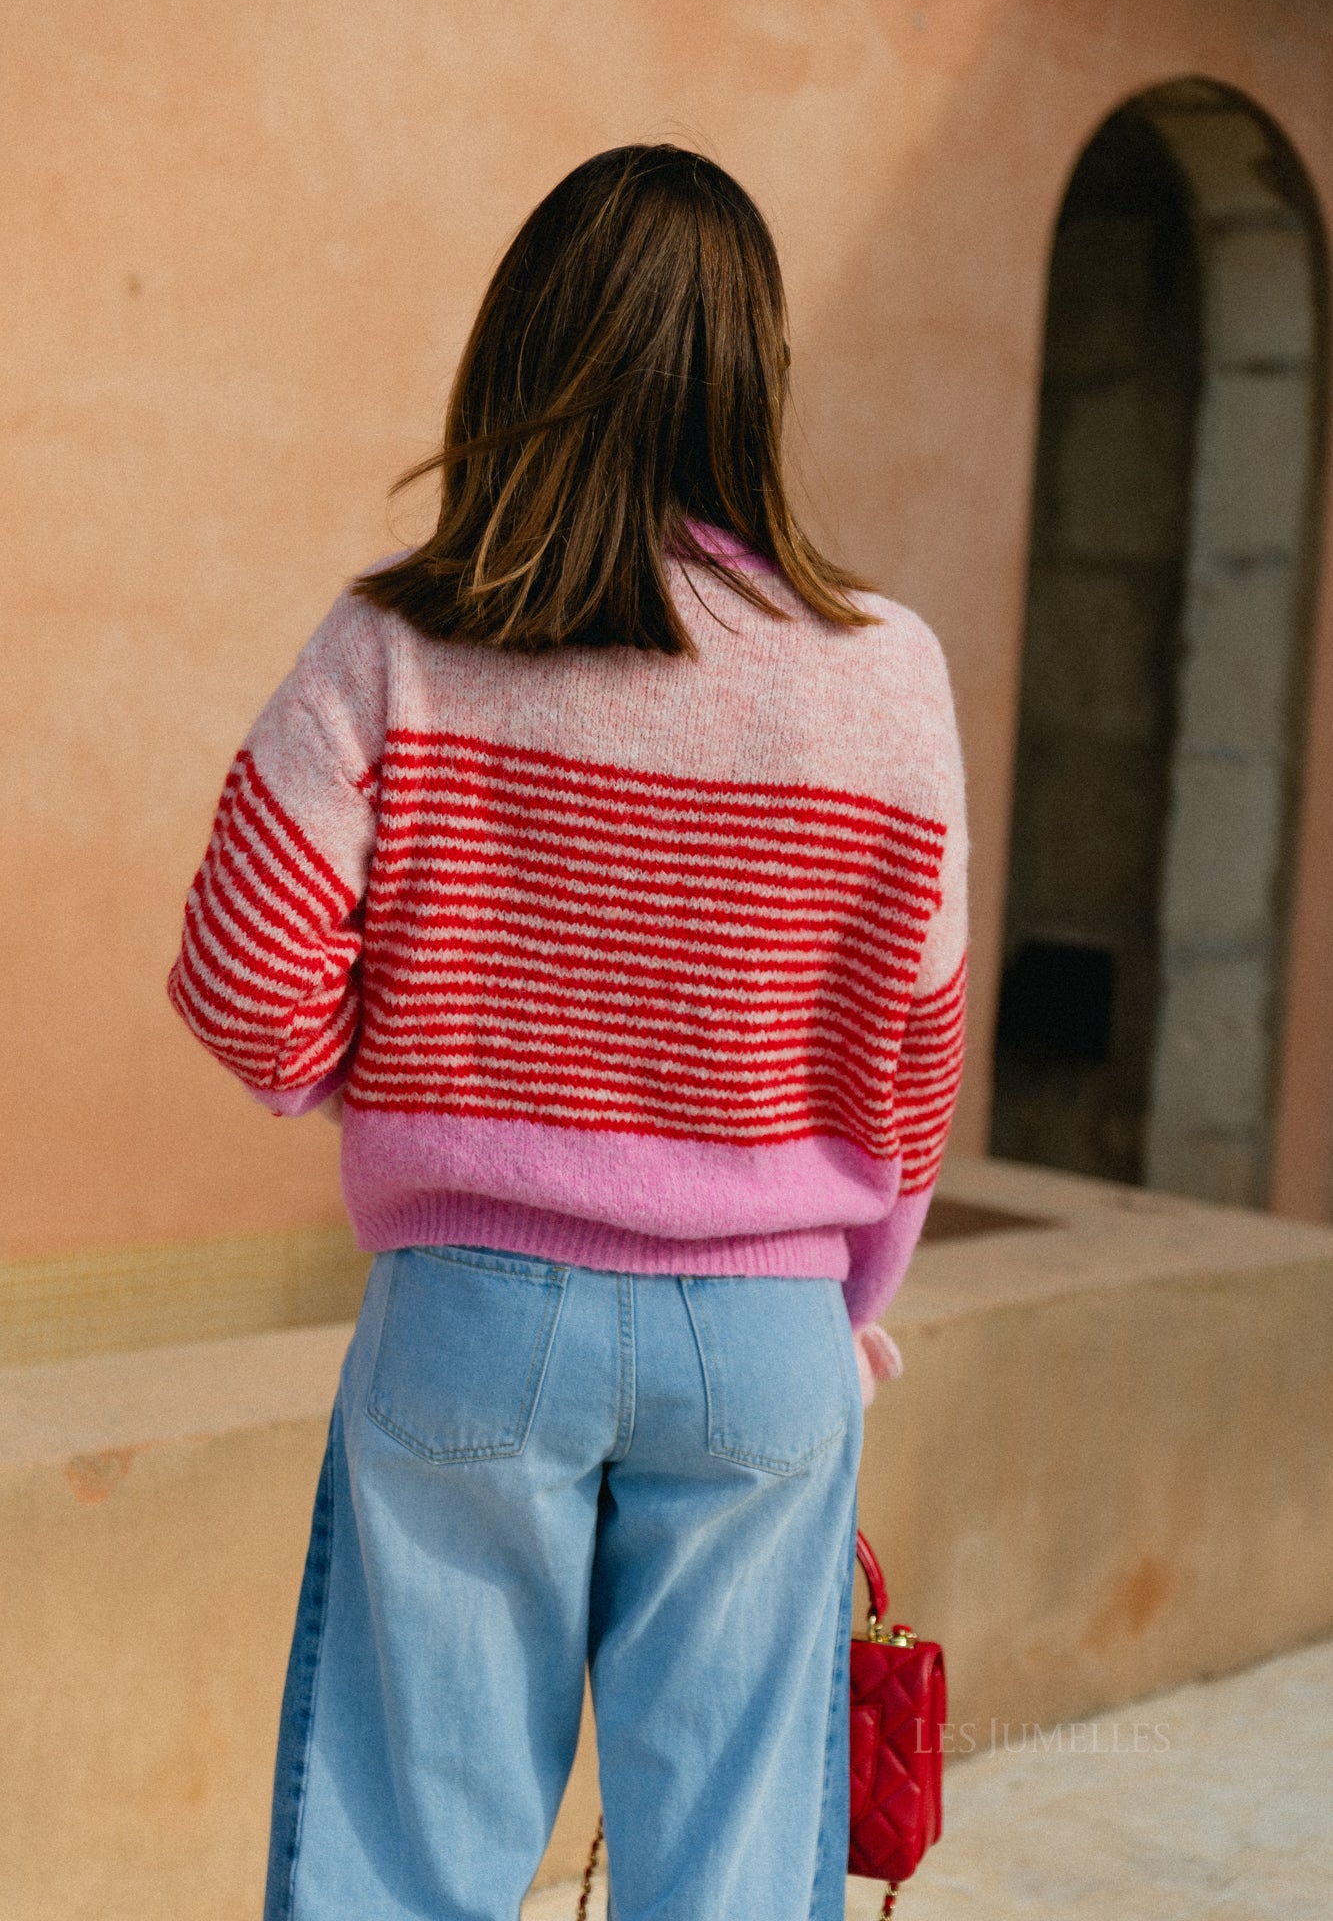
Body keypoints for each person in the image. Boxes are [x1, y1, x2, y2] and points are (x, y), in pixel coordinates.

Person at [167, 143, 967, 1921]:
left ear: (517, 350)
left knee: (398, 1863)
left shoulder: (399, 638)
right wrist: (841, 1308)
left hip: (467, 1321)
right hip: (768, 1341)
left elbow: (245, 989)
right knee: (731, 1880)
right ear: (756, 375)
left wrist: (426, 1080)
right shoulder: (885, 672)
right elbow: (909, 1063)